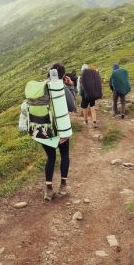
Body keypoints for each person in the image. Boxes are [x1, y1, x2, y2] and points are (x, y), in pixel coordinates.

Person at [43, 63, 76, 201]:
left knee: (50, 157)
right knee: (64, 154)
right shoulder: (62, 87)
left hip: (44, 129)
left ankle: (48, 190)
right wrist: (70, 87)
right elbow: (72, 106)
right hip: (60, 129)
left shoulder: (42, 86)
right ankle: (63, 185)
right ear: (63, 75)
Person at [79, 64, 102, 128]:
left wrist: (80, 94)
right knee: (92, 107)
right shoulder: (92, 76)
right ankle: (94, 122)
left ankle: (86, 121)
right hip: (91, 94)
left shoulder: (81, 77)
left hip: (84, 95)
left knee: (85, 108)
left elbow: (80, 88)